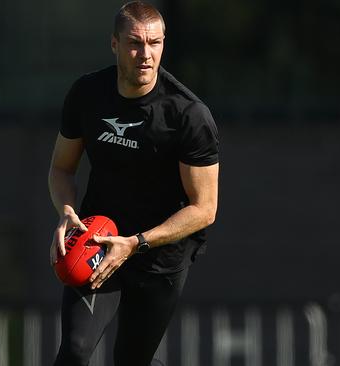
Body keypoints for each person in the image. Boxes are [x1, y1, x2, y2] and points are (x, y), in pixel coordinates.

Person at [48, 2, 219, 365]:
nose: (146, 54)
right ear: (114, 44)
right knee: (75, 353)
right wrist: (65, 209)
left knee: (131, 361)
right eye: (135, 44)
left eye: (155, 43)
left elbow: (204, 209)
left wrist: (136, 243)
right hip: (97, 240)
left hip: (159, 255)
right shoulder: (87, 95)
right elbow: (62, 169)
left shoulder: (188, 115)